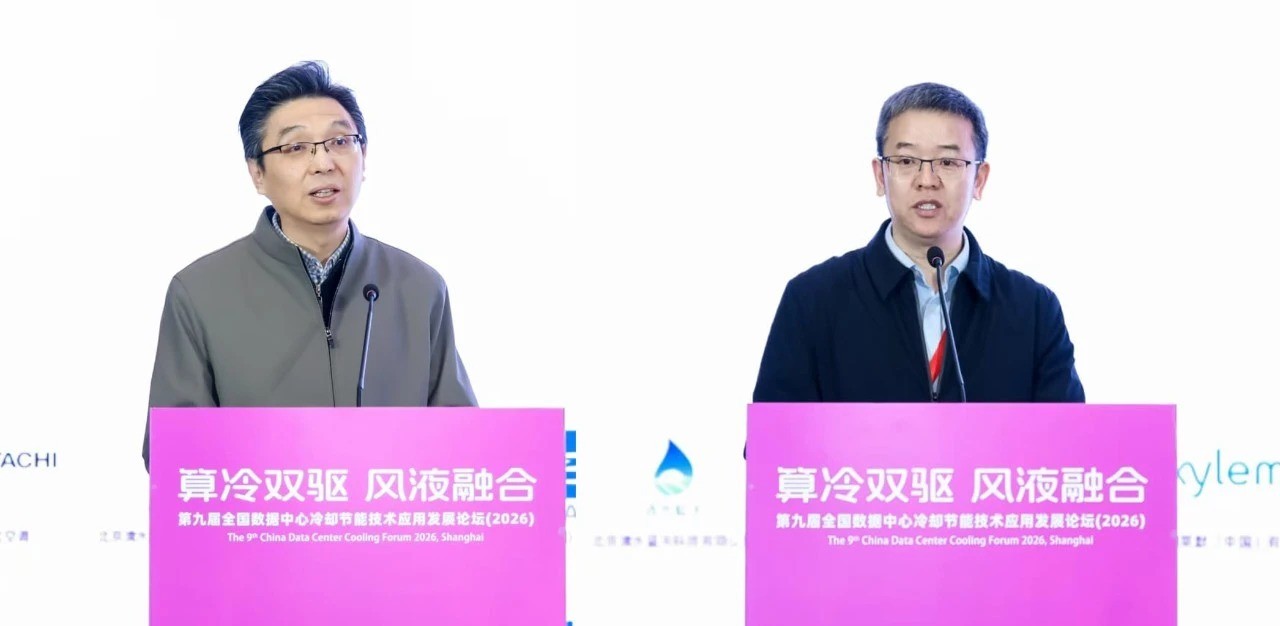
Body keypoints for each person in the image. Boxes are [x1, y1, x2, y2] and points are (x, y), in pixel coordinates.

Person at [142, 61, 476, 471]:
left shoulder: (418, 286)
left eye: (340, 141)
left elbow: (463, 443)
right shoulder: (200, 292)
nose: (323, 163)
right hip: (260, 512)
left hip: (386, 512)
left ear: (364, 157)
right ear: (257, 173)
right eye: (295, 147)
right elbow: (173, 456)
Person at [752, 82, 1084, 405]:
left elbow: (1067, 437)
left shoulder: (1033, 310)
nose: (927, 181)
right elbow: (777, 437)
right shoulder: (812, 300)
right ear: (880, 175)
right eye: (906, 161)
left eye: (948, 162)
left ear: (979, 180)